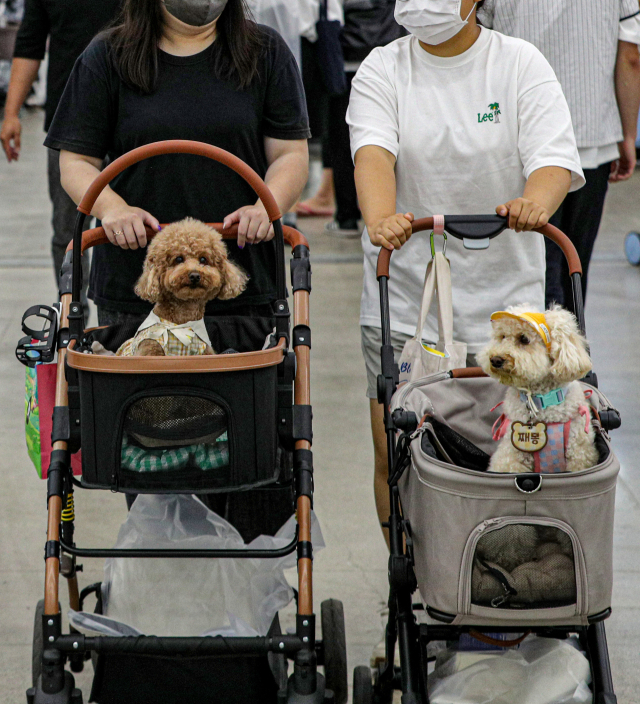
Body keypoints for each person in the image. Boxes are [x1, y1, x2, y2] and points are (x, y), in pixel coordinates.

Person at [346, 0, 585, 542]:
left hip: (509, 316)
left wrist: (535, 202)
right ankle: (413, 578)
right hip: (408, 300)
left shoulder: (520, 63)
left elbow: (552, 159)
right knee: (399, 451)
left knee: (520, 452)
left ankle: (505, 571)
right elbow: (373, 154)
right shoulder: (384, 68)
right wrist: (381, 219)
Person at [44, 0, 309, 332]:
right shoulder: (107, 55)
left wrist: (266, 206)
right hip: (136, 284)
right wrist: (113, 208)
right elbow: (76, 161)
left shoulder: (265, 52)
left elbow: (290, 154)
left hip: (243, 285)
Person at [478, 0, 640, 310]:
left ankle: (539, 350)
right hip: (591, 139)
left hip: (520, 143)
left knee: (533, 272)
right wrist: (627, 134)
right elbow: (630, 57)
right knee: (575, 269)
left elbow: (477, 46)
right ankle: (570, 349)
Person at [0, 0, 121, 316]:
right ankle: (72, 315)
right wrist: (11, 113)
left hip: (131, 117)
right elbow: (30, 44)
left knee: (124, 226)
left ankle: (118, 327)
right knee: (68, 229)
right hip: (68, 121)